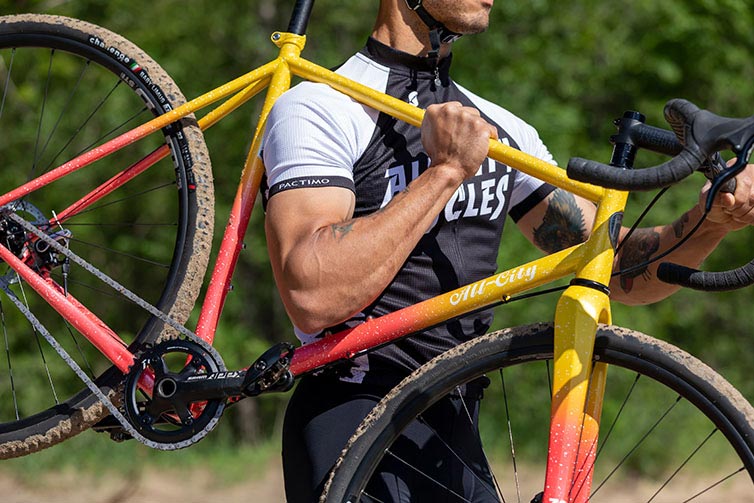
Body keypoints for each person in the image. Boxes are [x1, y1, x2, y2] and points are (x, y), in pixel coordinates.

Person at [261, 0, 754, 500]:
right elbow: (311, 292)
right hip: (354, 412)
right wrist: (445, 173)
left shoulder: (498, 129)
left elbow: (618, 267)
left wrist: (709, 223)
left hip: (453, 425)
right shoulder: (320, 107)